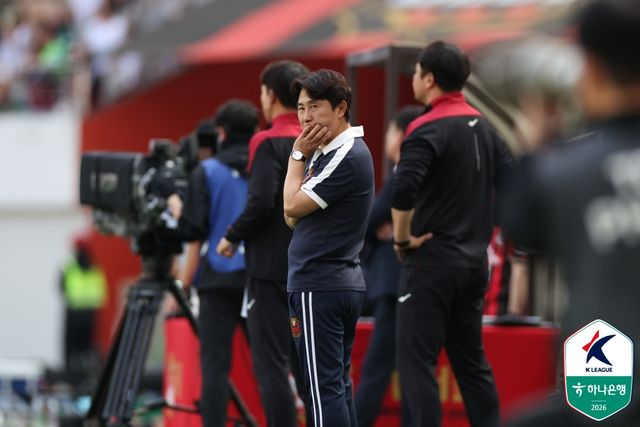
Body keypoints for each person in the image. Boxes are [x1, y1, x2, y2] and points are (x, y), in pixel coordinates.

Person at [503, 1, 640, 425]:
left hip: (604, 396)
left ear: (591, 68)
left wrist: (537, 146)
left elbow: (520, 224)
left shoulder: (561, 173)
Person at [390, 41, 512, 427]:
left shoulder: (424, 127)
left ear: (428, 78)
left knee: (416, 364)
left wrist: (402, 239)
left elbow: (402, 190)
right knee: (472, 365)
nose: (413, 78)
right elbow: (511, 185)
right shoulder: (486, 127)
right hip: (474, 265)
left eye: (416, 72)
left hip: (430, 264)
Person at [215, 60, 311, 427]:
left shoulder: (266, 140)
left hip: (270, 268)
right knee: (310, 368)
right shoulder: (319, 138)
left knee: (272, 364)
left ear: (270, 95)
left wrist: (231, 236)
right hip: (312, 265)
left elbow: (260, 202)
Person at [284, 69, 374, 427]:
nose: (306, 117)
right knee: (335, 386)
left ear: (341, 108)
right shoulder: (328, 151)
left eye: (314, 107)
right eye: (301, 108)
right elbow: (292, 217)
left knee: (322, 391)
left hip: (320, 283)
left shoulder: (346, 153)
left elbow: (290, 205)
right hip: (331, 282)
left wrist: (296, 155)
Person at [169, 99, 258, 427]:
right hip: (258, 278)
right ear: (255, 130)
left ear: (221, 132)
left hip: (216, 280)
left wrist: (178, 210)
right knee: (271, 365)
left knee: (215, 366)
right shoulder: (267, 167)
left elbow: (193, 231)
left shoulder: (206, 171)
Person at [354, 105, 422, 427]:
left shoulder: (406, 171)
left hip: (395, 283)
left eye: (391, 131)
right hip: (401, 282)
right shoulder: (412, 172)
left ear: (402, 136)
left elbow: (366, 221)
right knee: (408, 367)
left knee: (379, 367)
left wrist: (383, 228)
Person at [60, 233, 108, 374]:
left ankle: (71, 373)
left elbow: (61, 288)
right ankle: (87, 372)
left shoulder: (69, 269)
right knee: (87, 348)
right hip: (90, 314)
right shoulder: (95, 269)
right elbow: (101, 291)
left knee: (71, 348)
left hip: (74, 312)